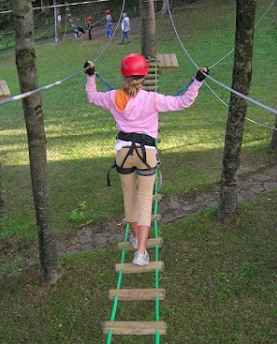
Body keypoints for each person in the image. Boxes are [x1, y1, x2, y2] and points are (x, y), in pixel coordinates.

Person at [84, 54, 209, 266]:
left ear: (124, 74)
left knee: (129, 197)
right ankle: (140, 252)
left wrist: (90, 75)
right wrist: (197, 81)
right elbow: (183, 102)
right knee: (144, 201)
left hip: (123, 153)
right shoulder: (152, 99)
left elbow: (92, 95)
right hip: (146, 153)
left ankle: (134, 238)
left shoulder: (114, 97)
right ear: (144, 75)